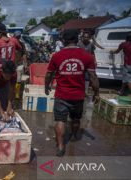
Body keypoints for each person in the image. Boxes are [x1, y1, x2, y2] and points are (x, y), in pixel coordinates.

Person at [45, 29, 99, 157]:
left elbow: (49, 74)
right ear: (77, 39)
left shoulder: (57, 56)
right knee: (76, 119)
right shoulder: (87, 56)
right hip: (78, 95)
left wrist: (46, 86)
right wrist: (97, 93)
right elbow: (93, 77)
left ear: (63, 40)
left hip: (61, 94)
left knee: (60, 120)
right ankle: (74, 136)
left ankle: (60, 146)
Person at [11, 31, 27, 98]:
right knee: (10, 79)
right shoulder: (10, 43)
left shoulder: (22, 44)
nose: (18, 38)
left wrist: (25, 64)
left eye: (19, 36)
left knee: (19, 79)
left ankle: (17, 93)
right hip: (11, 64)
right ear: (14, 36)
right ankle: (11, 92)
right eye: (16, 36)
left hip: (19, 64)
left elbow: (24, 54)